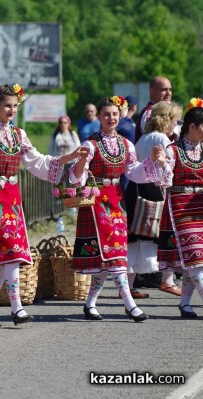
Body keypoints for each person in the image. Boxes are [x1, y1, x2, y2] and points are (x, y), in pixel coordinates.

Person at [0, 85, 85, 327]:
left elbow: (38, 162)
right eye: (7, 106)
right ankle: (17, 308)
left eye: (15, 106)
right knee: (10, 254)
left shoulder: (18, 134)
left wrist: (68, 157)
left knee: (7, 259)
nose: (12, 110)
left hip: (12, 196)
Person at [70, 96, 170, 322]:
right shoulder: (90, 144)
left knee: (110, 257)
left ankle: (90, 304)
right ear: (99, 117)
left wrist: (151, 162)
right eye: (106, 114)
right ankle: (130, 304)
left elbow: (134, 172)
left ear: (120, 115)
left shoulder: (126, 144)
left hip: (117, 201)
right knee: (114, 256)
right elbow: (77, 178)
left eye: (114, 114)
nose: (111, 118)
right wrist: (79, 163)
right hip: (97, 202)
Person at [125, 101, 182, 300]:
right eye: (174, 120)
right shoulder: (161, 138)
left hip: (137, 190)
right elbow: (168, 167)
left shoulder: (142, 139)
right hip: (154, 190)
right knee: (164, 235)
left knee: (136, 238)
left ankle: (130, 285)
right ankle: (167, 280)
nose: (175, 124)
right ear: (166, 119)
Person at [157, 100, 203, 318]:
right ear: (192, 127)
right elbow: (163, 180)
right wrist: (163, 164)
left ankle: (185, 304)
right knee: (194, 256)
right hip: (180, 206)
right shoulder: (172, 150)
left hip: (200, 206)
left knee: (194, 259)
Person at [135, 76, 172, 143]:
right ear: (152, 91)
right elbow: (153, 140)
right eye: (164, 90)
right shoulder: (149, 112)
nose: (168, 93)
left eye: (170, 90)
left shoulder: (166, 111)